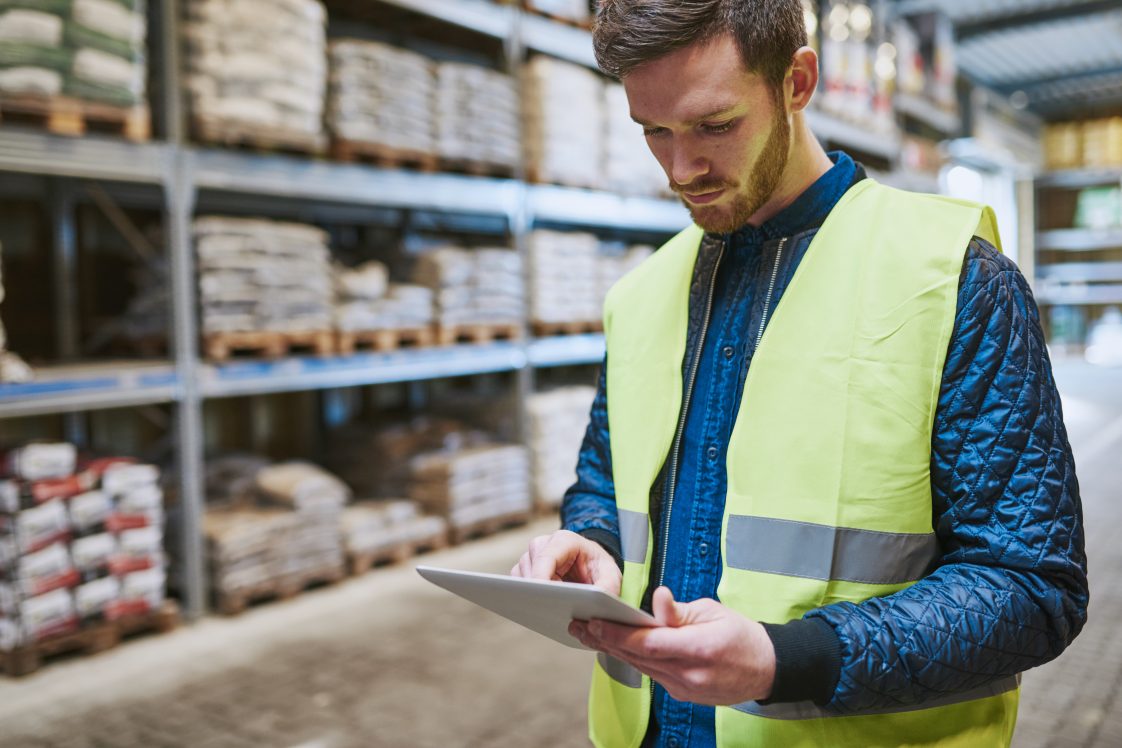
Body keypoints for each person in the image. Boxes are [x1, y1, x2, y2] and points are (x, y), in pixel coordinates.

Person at [510, 1, 1089, 746]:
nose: (681, 168)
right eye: (654, 129)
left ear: (798, 81)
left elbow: (1032, 589)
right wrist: (592, 542)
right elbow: (603, 480)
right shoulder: (643, 296)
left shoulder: (955, 281)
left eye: (715, 125)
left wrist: (788, 660)